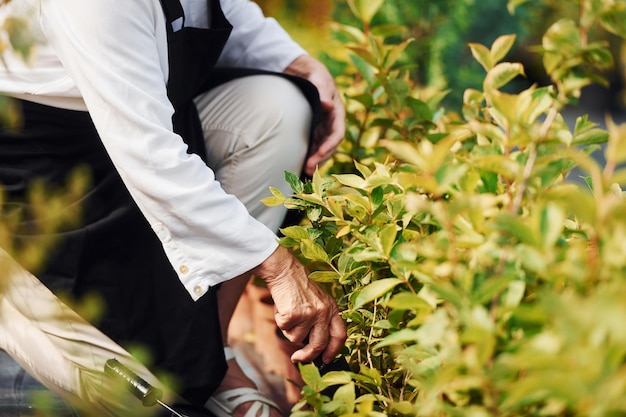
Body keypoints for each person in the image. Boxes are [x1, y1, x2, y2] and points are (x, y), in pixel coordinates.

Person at [0, 0, 347, 416]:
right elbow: (149, 157)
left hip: (135, 153)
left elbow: (224, 11)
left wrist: (302, 65)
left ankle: (212, 359)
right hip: (41, 198)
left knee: (276, 108)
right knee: (143, 401)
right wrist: (278, 265)